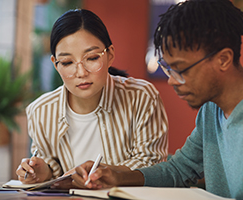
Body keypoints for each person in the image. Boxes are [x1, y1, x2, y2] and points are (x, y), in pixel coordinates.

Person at [71, 1, 243, 199]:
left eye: (180, 69)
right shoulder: (211, 109)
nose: (173, 81)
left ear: (223, 59)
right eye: (167, 68)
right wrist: (118, 176)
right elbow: (179, 169)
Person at [16, 9, 168, 184]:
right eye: (67, 62)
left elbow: (152, 166)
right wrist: (42, 171)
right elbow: (48, 161)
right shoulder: (40, 111)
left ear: (110, 55)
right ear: (55, 65)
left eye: (92, 58)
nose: (81, 72)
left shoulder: (142, 98)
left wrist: (105, 174)